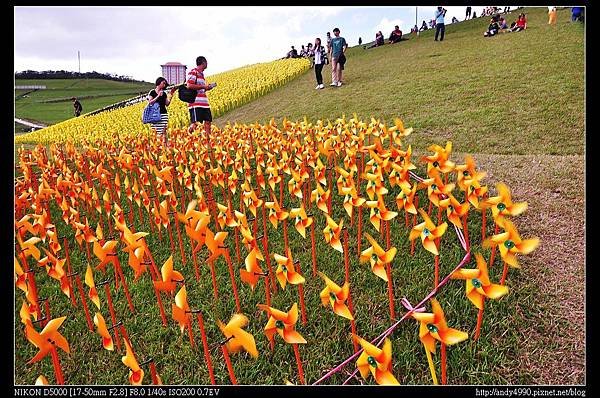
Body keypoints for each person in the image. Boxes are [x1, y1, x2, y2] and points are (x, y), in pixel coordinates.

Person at [186, 56, 217, 141]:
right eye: (206, 62)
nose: (207, 64)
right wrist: (203, 86)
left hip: (204, 103)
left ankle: (208, 141)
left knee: (208, 121)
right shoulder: (193, 72)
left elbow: (200, 88)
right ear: (203, 62)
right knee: (196, 123)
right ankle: (189, 137)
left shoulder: (201, 75)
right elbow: (189, 85)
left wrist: (207, 88)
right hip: (195, 103)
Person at [147, 77, 173, 146]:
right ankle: (156, 147)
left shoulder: (164, 93)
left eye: (165, 83)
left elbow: (167, 104)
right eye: (163, 83)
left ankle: (164, 148)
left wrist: (171, 95)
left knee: (163, 132)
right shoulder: (152, 92)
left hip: (163, 114)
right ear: (158, 82)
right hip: (154, 116)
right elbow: (150, 102)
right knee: (155, 132)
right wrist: (158, 96)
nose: (164, 85)